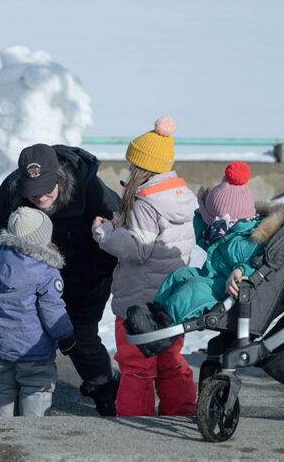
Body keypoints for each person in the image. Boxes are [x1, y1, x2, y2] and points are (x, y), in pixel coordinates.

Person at [0, 143, 121, 415]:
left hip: (85, 279)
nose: (39, 197)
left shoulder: (92, 190)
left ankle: (106, 392)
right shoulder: (13, 187)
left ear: (59, 178)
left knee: (80, 340)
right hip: (30, 283)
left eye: (46, 189)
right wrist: (8, 266)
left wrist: (87, 278)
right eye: (32, 193)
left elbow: (116, 239)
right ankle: (20, 402)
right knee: (24, 341)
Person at [90, 116, 198, 417]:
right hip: (171, 301)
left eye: (132, 164)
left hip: (138, 305)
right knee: (171, 361)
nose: (129, 170)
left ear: (142, 166)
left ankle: (134, 420)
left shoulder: (146, 203)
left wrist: (105, 233)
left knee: (136, 365)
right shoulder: (180, 197)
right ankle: (182, 412)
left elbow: (136, 248)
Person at [124, 162, 284, 356]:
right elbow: (204, 237)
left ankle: (163, 328)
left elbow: (257, 260)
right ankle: (156, 314)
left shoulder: (247, 240)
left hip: (229, 290)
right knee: (180, 275)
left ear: (225, 220)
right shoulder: (228, 232)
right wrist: (201, 212)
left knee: (194, 289)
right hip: (215, 277)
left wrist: (241, 271)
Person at [0, 207, 76, 416]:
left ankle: (0, 426)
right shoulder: (45, 272)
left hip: (3, 345)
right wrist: (65, 335)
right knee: (36, 387)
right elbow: (52, 310)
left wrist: (3, 240)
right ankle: (33, 431)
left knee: (3, 386)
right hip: (35, 350)